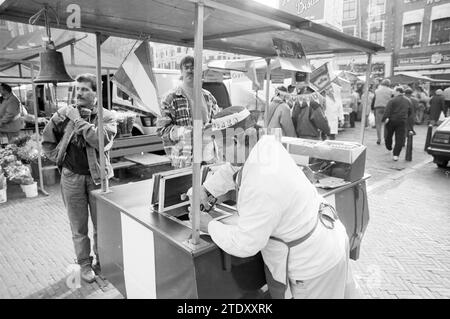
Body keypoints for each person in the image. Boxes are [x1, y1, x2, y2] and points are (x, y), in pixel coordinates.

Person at [189, 106, 359, 299]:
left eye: (218, 145)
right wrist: (206, 189)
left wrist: (208, 225)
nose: (217, 154)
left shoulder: (260, 182)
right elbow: (235, 168)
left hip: (315, 264)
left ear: (236, 140)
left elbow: (246, 243)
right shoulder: (264, 144)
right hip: (328, 238)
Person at [42, 73, 117, 283]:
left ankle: (103, 262)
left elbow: (99, 140)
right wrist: (59, 160)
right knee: (78, 227)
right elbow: (47, 141)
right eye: (77, 89)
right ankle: (84, 264)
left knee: (102, 225)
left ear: (96, 92)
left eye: (85, 89)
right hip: (71, 178)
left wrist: (77, 119)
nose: (79, 93)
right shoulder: (61, 115)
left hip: (97, 179)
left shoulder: (107, 116)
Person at [157, 55, 220, 168]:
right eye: (186, 67)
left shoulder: (208, 97)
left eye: (194, 67)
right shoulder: (170, 98)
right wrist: (185, 132)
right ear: (181, 71)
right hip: (184, 161)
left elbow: (217, 123)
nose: (190, 70)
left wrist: (212, 129)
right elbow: (162, 130)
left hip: (209, 159)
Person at [382, 87, 412, 161]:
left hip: (392, 120)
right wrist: (405, 117)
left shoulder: (392, 100)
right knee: (400, 138)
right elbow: (410, 111)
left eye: (394, 91)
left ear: (398, 91)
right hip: (402, 121)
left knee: (388, 135)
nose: (393, 93)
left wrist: (385, 118)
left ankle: (389, 147)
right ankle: (396, 155)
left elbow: (387, 110)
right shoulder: (408, 100)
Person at [372, 79, 394, 145]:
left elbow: (374, 99)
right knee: (387, 124)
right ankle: (386, 138)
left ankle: (379, 139)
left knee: (378, 124)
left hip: (378, 107)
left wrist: (372, 109)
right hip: (387, 108)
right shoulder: (391, 91)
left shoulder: (377, 91)